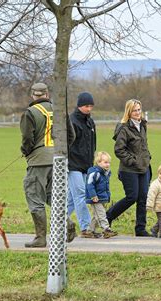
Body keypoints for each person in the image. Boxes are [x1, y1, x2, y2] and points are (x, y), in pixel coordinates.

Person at [20, 82, 76, 247]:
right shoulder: (59, 112)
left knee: (34, 196)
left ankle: (40, 237)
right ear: (47, 94)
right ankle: (67, 223)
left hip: (38, 162)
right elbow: (71, 136)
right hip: (58, 161)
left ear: (33, 95)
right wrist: (60, 152)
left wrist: (26, 152)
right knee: (54, 196)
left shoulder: (30, 113)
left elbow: (27, 139)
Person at [106, 99, 152, 237]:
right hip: (129, 169)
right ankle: (108, 216)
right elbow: (119, 149)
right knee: (132, 197)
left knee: (143, 198)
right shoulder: (124, 128)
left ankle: (140, 229)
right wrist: (132, 161)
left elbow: (143, 146)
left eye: (139, 109)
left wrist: (147, 158)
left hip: (144, 168)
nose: (138, 112)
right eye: (135, 110)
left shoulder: (143, 125)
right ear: (129, 112)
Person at [68, 92, 96, 237]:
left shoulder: (90, 123)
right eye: (86, 106)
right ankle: (86, 228)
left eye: (91, 106)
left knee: (72, 198)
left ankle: (57, 221)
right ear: (79, 105)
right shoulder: (72, 121)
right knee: (80, 194)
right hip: (73, 165)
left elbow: (93, 144)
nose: (89, 109)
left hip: (86, 165)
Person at [84, 151, 118, 239]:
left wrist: (107, 196)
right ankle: (106, 230)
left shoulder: (105, 173)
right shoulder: (95, 173)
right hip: (95, 198)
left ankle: (89, 231)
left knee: (96, 216)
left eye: (109, 162)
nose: (108, 164)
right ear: (98, 162)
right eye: (105, 162)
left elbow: (106, 186)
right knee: (101, 214)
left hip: (102, 197)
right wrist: (93, 195)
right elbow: (89, 185)